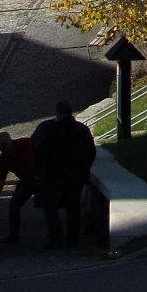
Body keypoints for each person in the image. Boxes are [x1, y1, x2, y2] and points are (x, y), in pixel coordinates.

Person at [32, 100, 97, 249]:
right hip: (77, 176)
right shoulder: (82, 129)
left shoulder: (52, 130)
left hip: (55, 177)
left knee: (50, 207)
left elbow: (42, 152)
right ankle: (73, 239)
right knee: (73, 209)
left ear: (58, 113)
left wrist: (37, 172)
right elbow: (91, 152)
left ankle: (56, 238)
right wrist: (84, 169)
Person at [0, 130, 40, 244]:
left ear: (10, 140)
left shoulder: (26, 143)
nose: (3, 148)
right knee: (14, 205)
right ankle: (13, 236)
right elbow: (0, 180)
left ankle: (55, 235)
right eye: (0, 146)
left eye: (5, 144)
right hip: (26, 182)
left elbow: (44, 153)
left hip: (41, 178)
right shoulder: (4, 158)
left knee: (49, 206)